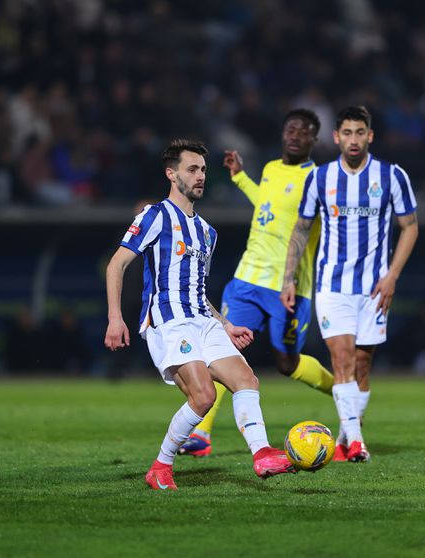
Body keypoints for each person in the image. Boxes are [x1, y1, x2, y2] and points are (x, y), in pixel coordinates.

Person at [104, 139, 295, 491]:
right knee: (204, 397)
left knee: (246, 381)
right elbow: (116, 265)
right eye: (192, 169)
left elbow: (196, 290)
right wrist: (116, 317)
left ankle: (263, 453)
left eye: (203, 170)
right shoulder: (154, 216)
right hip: (169, 321)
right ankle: (161, 466)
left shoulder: (208, 232)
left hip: (204, 321)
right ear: (171, 173)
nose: (200, 176)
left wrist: (227, 324)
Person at [177, 109, 334, 457]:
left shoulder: (321, 181)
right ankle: (200, 435)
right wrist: (240, 178)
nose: (294, 136)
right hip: (247, 278)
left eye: (303, 132)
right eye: (290, 129)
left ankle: (341, 392)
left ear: (314, 140)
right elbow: (268, 205)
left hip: (289, 287)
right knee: (222, 350)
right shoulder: (271, 169)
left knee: (287, 363)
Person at [281, 106, 419, 462]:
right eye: (347, 133)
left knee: (361, 366)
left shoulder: (392, 175)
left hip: (374, 288)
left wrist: (392, 277)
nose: (353, 140)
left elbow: (411, 226)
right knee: (341, 359)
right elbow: (300, 230)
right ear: (336, 137)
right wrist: (289, 279)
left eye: (360, 133)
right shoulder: (320, 178)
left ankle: (344, 439)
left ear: (369, 136)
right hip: (332, 285)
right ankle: (357, 442)